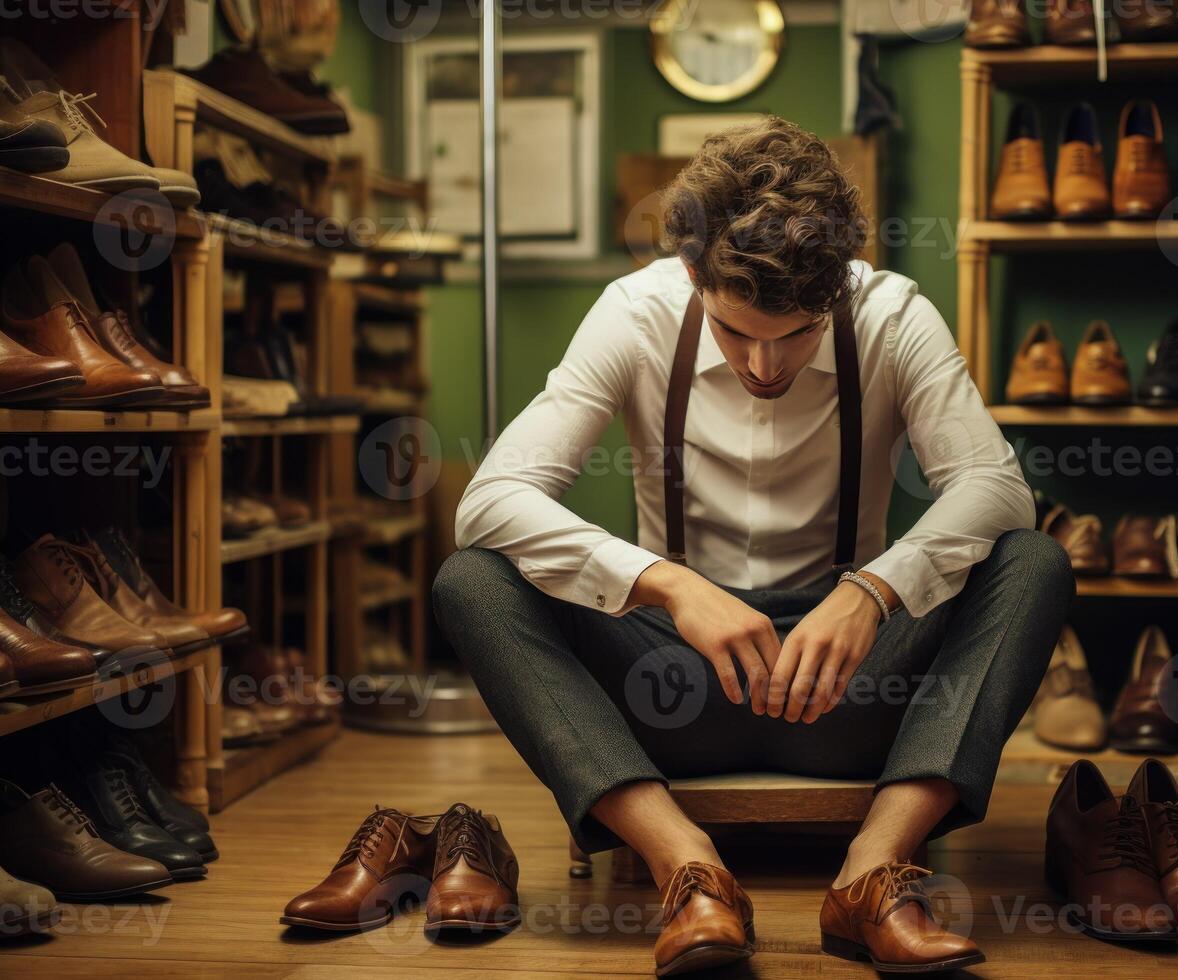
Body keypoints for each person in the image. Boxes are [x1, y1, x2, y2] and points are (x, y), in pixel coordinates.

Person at [435, 116, 1072, 976]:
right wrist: (667, 585)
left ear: (838, 289)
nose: (765, 366)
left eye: (796, 334)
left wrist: (874, 592)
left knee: (1033, 560)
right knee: (471, 581)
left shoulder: (891, 313)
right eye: (738, 334)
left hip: (847, 688)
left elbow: (996, 487)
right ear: (693, 274)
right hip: (673, 686)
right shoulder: (635, 312)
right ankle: (688, 871)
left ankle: (872, 873)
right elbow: (492, 499)